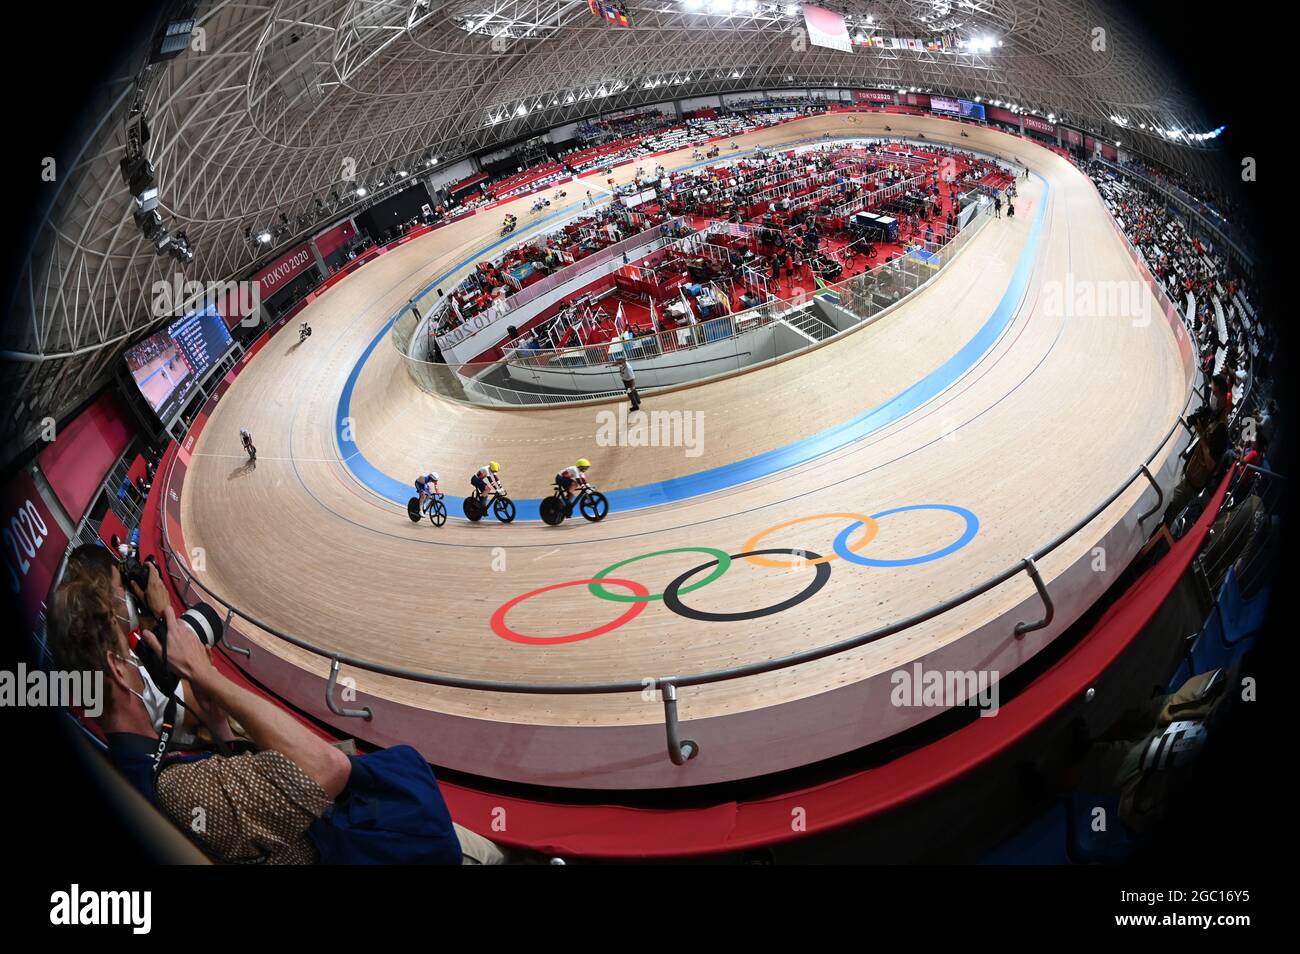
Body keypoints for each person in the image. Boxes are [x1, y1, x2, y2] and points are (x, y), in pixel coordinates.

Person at [46, 544, 504, 864]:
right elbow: (327, 768)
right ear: (117, 668)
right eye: (130, 642)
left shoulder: (142, 756)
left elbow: (236, 812)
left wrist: (220, 730)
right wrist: (204, 675)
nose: (141, 645)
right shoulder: (174, 788)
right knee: (486, 853)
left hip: (347, 831)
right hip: (374, 841)